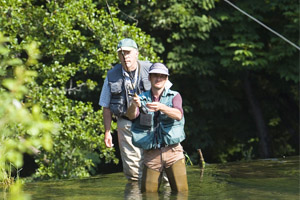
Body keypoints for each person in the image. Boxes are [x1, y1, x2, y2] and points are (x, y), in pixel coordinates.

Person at [127, 63, 188, 192]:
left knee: (181, 193)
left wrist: (161, 107)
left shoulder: (175, 96)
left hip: (173, 152)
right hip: (151, 154)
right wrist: (134, 105)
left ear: (166, 79)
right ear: (149, 77)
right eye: (155, 75)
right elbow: (131, 116)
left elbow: (178, 115)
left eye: (162, 76)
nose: (158, 78)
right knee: (148, 195)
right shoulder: (141, 97)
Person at [99, 38, 152, 181]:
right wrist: (107, 132)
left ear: (136, 54)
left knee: (156, 167)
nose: (124, 56)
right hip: (126, 124)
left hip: (151, 123)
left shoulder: (152, 70)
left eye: (128, 53)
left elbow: (168, 94)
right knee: (133, 173)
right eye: (121, 54)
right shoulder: (111, 76)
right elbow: (106, 106)